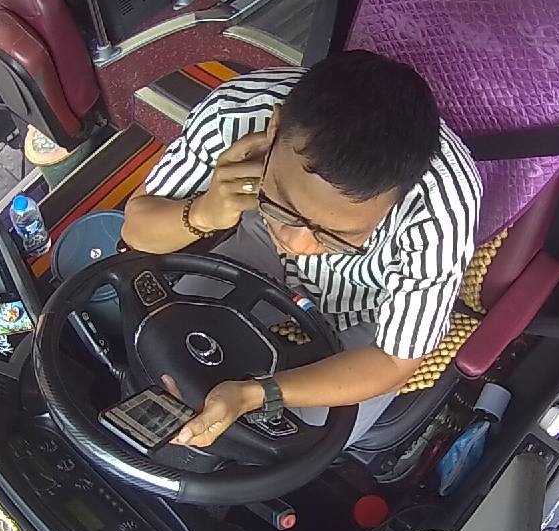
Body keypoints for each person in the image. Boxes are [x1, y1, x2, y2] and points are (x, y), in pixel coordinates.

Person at [122, 50, 482, 450]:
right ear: (274, 128)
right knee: (160, 339)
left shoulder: (441, 206)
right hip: (257, 246)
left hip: (369, 311)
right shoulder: (236, 113)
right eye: (284, 205)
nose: (296, 244)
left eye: (338, 235)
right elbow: (136, 228)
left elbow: (394, 359)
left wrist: (257, 394)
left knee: (297, 441)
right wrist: (204, 212)